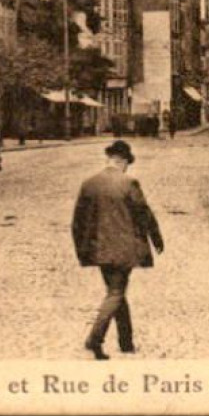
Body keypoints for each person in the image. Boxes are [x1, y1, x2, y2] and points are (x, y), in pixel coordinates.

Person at [71, 140, 164, 360]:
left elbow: (77, 222)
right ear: (122, 162)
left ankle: (126, 342)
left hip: (98, 249)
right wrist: (156, 238)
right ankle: (94, 338)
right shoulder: (129, 183)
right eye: (127, 164)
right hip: (124, 250)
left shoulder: (89, 184)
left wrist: (82, 249)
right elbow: (144, 214)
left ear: (109, 159)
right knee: (116, 293)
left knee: (117, 291)